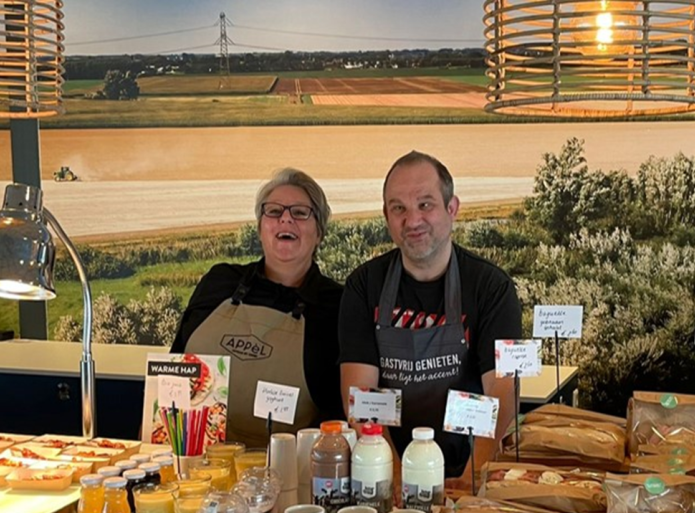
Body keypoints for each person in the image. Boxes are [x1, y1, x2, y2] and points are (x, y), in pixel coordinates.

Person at [338, 151, 522, 492]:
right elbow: (359, 390)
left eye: (425, 205)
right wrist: (391, 475)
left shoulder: (492, 288)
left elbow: (502, 389)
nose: (413, 221)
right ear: (386, 216)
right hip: (385, 467)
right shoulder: (364, 286)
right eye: (399, 208)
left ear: (452, 208)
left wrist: (474, 475)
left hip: (467, 467)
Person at [171, 168, 344, 448]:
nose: (285, 218)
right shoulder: (219, 283)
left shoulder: (337, 305)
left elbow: (340, 416)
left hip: (285, 470)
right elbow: (171, 374)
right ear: (260, 228)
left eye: (300, 212)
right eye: (274, 211)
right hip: (194, 462)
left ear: (319, 232)